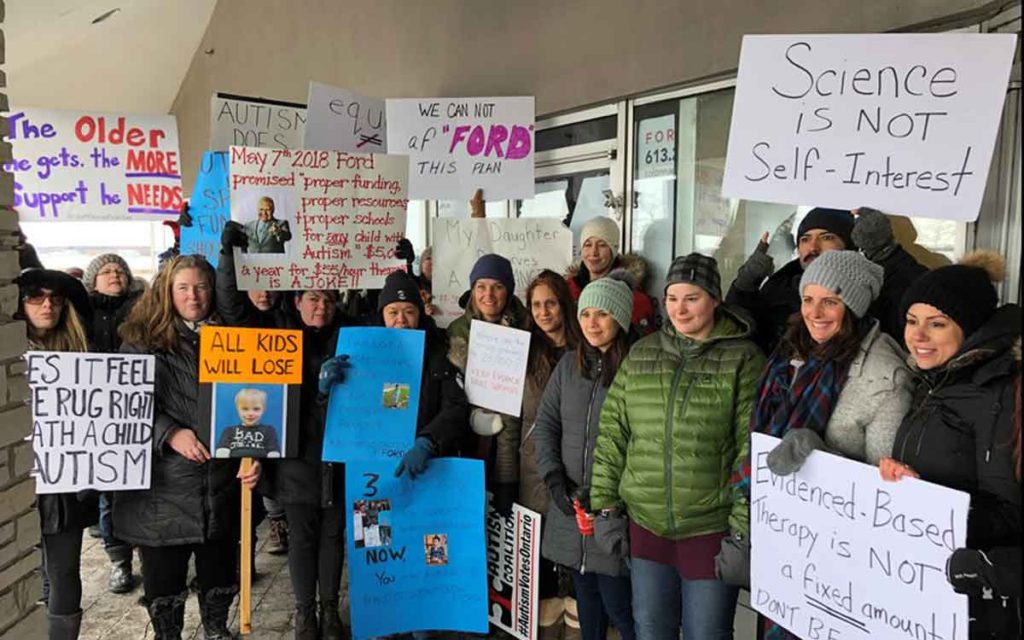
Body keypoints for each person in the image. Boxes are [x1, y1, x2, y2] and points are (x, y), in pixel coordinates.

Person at [735, 251, 914, 639]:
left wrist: (819, 453)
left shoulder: (884, 375)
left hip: (841, 564)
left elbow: (886, 493)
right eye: (808, 299)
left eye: (830, 301)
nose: (816, 312)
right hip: (783, 537)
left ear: (852, 305)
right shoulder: (789, 351)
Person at [590, 253, 764, 640]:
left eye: (692, 298)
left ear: (715, 299)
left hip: (710, 528)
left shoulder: (743, 359)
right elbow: (613, 435)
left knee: (707, 632)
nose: (680, 309)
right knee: (651, 629)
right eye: (672, 298)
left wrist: (742, 531)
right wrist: (605, 507)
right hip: (646, 525)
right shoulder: (642, 354)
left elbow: (749, 450)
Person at [879, 251, 1021, 640]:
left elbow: (1010, 511)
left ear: (969, 328)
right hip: (925, 588)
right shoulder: (932, 380)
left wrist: (930, 513)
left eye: (936, 324)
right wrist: (900, 478)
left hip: (976, 602)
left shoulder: (1000, 392)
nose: (917, 336)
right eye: (911, 321)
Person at [116, 255, 259, 640]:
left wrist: (256, 453)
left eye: (201, 286)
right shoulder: (142, 341)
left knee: (220, 570)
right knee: (164, 579)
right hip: (162, 487)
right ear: (168, 291)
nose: (193, 296)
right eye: (183, 287)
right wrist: (169, 433)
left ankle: (216, 630)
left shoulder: (238, 338)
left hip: (221, 481)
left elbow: (262, 404)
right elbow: (127, 404)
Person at [217, 221, 348, 639]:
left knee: (334, 538)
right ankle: (304, 614)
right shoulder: (275, 329)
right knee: (303, 540)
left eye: (328, 299)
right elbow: (234, 309)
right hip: (296, 460)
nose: (321, 307)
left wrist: (407, 267)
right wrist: (228, 257)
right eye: (312, 298)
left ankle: (330, 611)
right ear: (297, 299)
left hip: (340, 457)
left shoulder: (349, 334)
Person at [533, 273, 637, 640]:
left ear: (620, 319)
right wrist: (554, 478)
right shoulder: (567, 366)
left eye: (603, 314)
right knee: (585, 598)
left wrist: (608, 494)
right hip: (571, 508)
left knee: (620, 607)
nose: (592, 323)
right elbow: (545, 426)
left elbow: (641, 442)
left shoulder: (635, 368)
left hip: (611, 510)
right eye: (586, 313)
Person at [726, 207, 927, 354]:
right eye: (804, 239)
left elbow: (923, 298)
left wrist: (886, 253)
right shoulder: (778, 286)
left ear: (850, 245)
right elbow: (734, 333)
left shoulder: (867, 291)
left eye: (827, 237)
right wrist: (744, 286)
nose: (812, 247)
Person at [17, 269, 96, 639]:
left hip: (66, 482)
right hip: (20, 480)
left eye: (55, 298)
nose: (47, 304)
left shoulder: (84, 354)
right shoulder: (9, 357)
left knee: (63, 571)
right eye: (36, 296)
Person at [214, 221, 290, 554]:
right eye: (255, 285)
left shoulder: (289, 315)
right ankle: (271, 521)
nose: (264, 293)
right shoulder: (241, 318)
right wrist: (229, 256)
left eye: (271, 285)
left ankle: (277, 517)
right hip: (249, 399)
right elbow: (229, 299)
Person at [519, 270, 583, 639]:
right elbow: (514, 424)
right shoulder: (523, 354)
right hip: (534, 478)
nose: (544, 312)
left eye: (551, 303)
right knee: (540, 576)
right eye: (537, 305)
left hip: (576, 474)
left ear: (564, 305)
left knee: (575, 573)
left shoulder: (583, 349)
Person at [82, 252, 145, 594]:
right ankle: (119, 561)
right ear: (92, 280)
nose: (114, 274)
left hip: (136, 407)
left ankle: (151, 556)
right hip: (98, 412)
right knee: (109, 491)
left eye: (119, 269)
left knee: (144, 487)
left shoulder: (142, 306)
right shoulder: (81, 312)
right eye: (106, 271)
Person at [446, 253, 529, 515]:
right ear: (472, 291)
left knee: (508, 517)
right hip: (468, 443)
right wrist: (471, 414)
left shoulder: (528, 327)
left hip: (514, 445)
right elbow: (448, 390)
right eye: (481, 286)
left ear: (509, 290)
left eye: (498, 286)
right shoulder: (456, 332)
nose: (488, 294)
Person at [566, 217, 657, 334]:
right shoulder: (568, 290)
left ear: (613, 250)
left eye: (602, 245)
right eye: (588, 245)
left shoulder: (632, 297)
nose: (593, 252)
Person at [215, 388, 283, 458]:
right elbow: (221, 453)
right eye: (245, 409)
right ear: (238, 409)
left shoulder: (269, 431)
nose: (250, 413)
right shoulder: (229, 431)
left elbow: (274, 453)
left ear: (263, 409)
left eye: (256, 409)